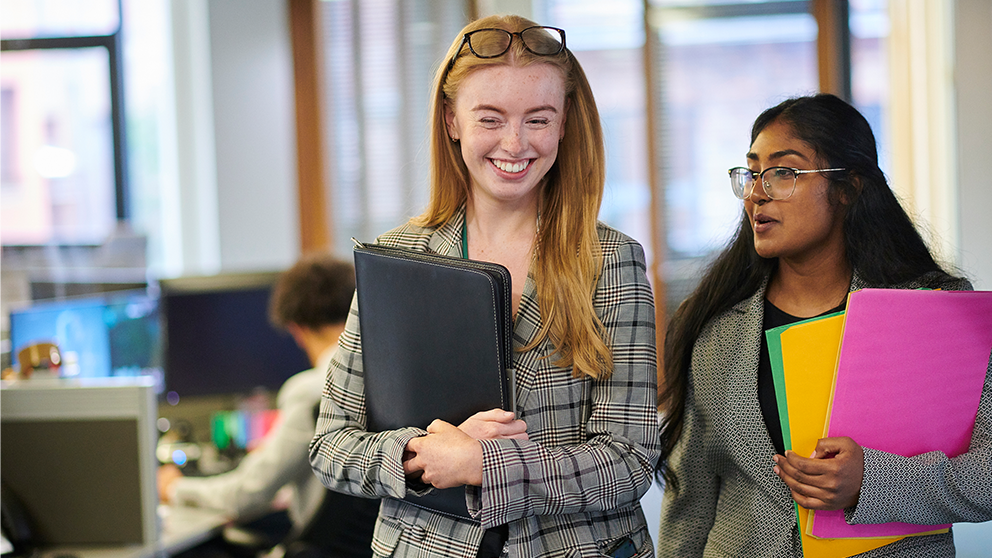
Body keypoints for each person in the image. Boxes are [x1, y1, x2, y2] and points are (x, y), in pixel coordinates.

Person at [308, 14, 660, 558]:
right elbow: (331, 446)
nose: (515, 143)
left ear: (565, 123)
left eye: (538, 119)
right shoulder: (399, 258)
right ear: (452, 120)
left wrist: (481, 464)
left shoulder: (611, 261)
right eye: (490, 118)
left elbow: (632, 460)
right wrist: (423, 453)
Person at [655, 93, 992, 557]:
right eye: (752, 173)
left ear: (848, 188)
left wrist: (872, 482)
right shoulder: (714, 326)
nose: (757, 192)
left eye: (784, 172)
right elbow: (690, 495)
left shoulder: (933, 312)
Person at [159, 255, 378, 558]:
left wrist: (174, 488)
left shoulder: (312, 390)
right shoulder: (385, 378)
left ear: (296, 329)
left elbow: (248, 494)